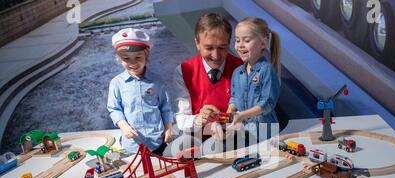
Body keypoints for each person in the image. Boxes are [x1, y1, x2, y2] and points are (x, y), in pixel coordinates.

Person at [172, 13, 243, 155]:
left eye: (222, 48)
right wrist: (199, 119)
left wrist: (234, 122)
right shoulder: (183, 71)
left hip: (235, 139)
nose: (216, 56)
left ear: (229, 44)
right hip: (197, 140)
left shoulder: (242, 68)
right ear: (197, 44)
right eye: (209, 48)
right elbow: (181, 119)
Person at [108, 28, 173, 155]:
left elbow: (165, 107)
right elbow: (114, 109)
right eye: (126, 58)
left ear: (146, 55)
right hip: (133, 145)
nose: (133, 63)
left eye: (138, 57)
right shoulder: (116, 83)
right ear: (119, 59)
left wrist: (168, 129)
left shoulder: (157, 81)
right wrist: (124, 126)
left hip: (157, 142)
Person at [229, 17, 281, 142]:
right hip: (244, 133)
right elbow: (234, 98)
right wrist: (229, 112)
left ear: (263, 43)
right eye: (237, 40)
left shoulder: (266, 70)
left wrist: (241, 115)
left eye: (246, 40)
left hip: (266, 133)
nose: (240, 45)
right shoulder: (237, 73)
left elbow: (267, 103)